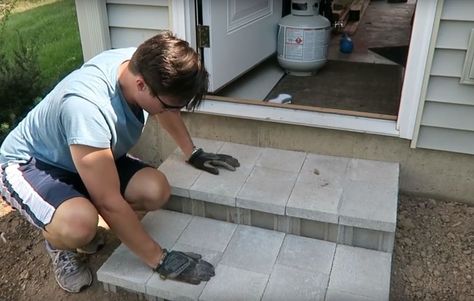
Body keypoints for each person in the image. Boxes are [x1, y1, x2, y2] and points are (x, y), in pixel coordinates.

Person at [0, 31, 240, 293]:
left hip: (86, 153)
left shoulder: (142, 63)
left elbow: (164, 104)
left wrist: (192, 152)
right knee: (79, 225)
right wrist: (160, 259)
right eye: (170, 106)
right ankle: (60, 243)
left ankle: (80, 204)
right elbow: (109, 201)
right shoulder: (87, 107)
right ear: (141, 86)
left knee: (155, 191)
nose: (173, 113)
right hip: (34, 164)